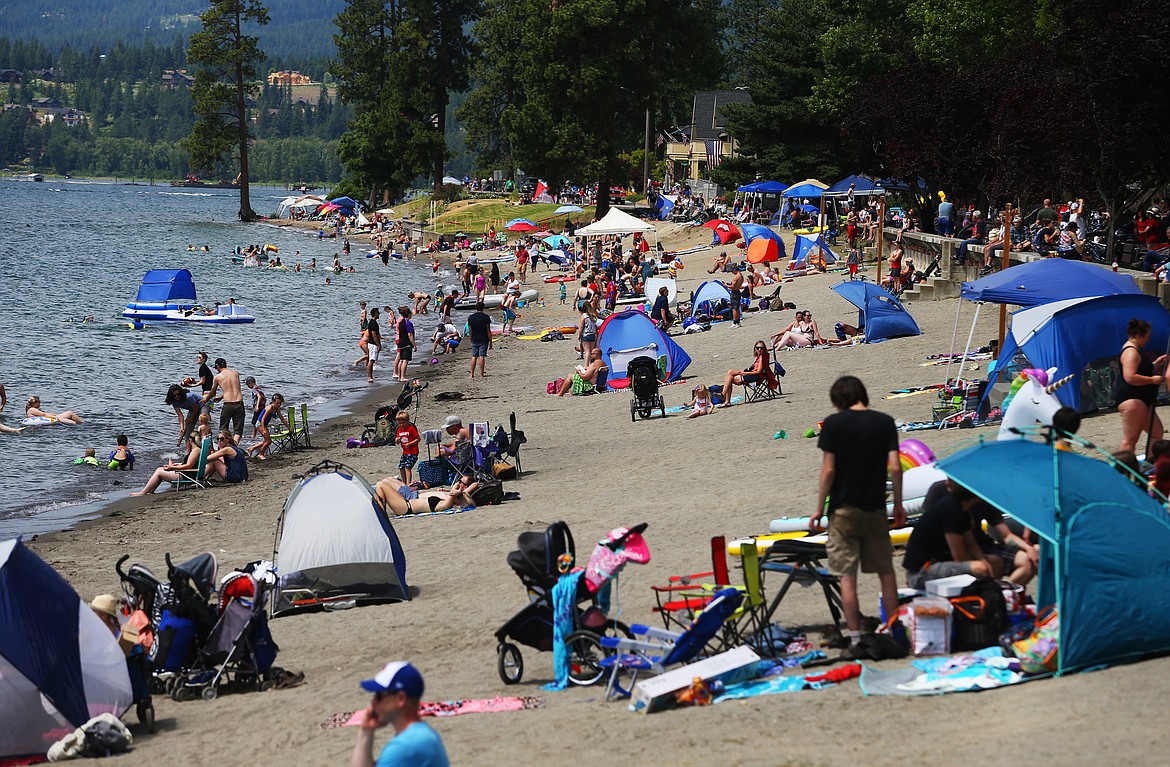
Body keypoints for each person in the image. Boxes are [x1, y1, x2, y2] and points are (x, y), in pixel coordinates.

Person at [811, 376, 905, 651]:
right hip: (875, 507)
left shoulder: (833, 424)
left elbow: (829, 470)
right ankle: (894, 631)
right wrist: (898, 504)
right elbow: (896, 468)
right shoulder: (884, 422)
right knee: (886, 573)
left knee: (847, 576)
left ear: (838, 400)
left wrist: (818, 508)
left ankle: (855, 638)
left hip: (843, 509)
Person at [902, 479, 996, 590]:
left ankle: (992, 596)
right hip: (921, 571)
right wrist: (984, 568)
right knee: (980, 568)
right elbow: (959, 557)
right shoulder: (951, 508)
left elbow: (972, 546)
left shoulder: (963, 510)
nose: (946, 483)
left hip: (937, 563)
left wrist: (988, 567)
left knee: (994, 562)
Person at [351, 662, 450, 767]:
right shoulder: (422, 734)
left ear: (401, 699)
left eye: (379, 696)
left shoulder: (403, 747)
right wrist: (366, 731)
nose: (373, 703)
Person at [1116, 318, 1167, 453]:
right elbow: (1130, 377)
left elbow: (1140, 369)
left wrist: (1155, 363)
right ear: (1139, 336)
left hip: (1143, 399)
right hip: (1133, 400)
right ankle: (1123, 469)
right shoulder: (1131, 352)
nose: (1148, 340)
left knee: (1156, 432)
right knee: (1131, 439)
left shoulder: (1136, 350)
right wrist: (1152, 380)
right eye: (1147, 337)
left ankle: (1149, 462)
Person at [130, 434, 206, 495]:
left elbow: (188, 466)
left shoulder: (195, 451)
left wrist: (172, 468)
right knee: (160, 469)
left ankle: (143, 492)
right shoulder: (197, 450)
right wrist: (177, 464)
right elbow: (191, 464)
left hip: (185, 476)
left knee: (159, 472)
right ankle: (150, 490)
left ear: (190, 440)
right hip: (188, 474)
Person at [374, 476, 478, 517]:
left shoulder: (446, 504)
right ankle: (381, 514)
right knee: (383, 483)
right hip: (406, 503)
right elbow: (453, 491)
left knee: (380, 485)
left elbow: (454, 493)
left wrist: (456, 492)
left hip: (406, 507)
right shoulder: (447, 500)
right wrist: (457, 491)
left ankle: (381, 516)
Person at [717, 341, 773, 407]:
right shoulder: (761, 356)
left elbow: (759, 371)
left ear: (764, 349)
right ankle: (725, 398)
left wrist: (746, 373)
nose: (759, 349)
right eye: (757, 348)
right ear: (755, 348)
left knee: (730, 378)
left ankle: (725, 397)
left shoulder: (762, 357)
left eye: (761, 348)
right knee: (730, 372)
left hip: (756, 377)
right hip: (753, 374)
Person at [203, 358, 245, 443]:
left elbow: (212, 392)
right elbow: (235, 389)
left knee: (223, 428)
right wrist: (222, 396)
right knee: (238, 431)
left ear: (218, 366)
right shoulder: (235, 373)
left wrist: (205, 400)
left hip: (228, 405)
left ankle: (223, 449)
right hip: (239, 403)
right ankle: (234, 448)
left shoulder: (218, 377)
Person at [249, 393, 290, 460]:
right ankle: (261, 454)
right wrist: (264, 429)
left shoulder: (277, 409)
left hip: (264, 425)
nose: (279, 405)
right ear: (273, 401)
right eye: (277, 403)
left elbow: (282, 419)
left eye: (280, 403)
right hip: (259, 424)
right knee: (268, 441)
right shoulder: (270, 407)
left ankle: (252, 448)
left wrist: (289, 428)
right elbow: (263, 419)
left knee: (266, 440)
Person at [466, 301, 493, 379]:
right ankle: (481, 373)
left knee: (474, 356)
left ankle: (472, 374)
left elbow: (470, 330)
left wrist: (470, 339)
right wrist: (491, 342)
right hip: (484, 338)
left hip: (474, 338)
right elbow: (488, 330)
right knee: (482, 356)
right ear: (483, 308)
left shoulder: (471, 317)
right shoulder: (486, 317)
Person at [395, 411, 420, 485]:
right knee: (401, 467)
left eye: (403, 423)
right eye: (399, 423)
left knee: (407, 467)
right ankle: (404, 482)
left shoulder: (411, 429)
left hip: (413, 452)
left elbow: (418, 438)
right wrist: (397, 440)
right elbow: (397, 440)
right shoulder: (399, 429)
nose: (401, 425)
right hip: (405, 452)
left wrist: (410, 444)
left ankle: (408, 483)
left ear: (407, 421)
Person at [394, 307, 417, 383]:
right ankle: (402, 376)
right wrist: (414, 345)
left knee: (401, 360)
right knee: (405, 360)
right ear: (409, 314)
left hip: (401, 342)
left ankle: (399, 376)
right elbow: (410, 335)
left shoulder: (400, 322)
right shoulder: (408, 323)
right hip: (406, 343)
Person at [366, 307, 383, 384]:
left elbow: (376, 334)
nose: (379, 314)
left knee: (372, 360)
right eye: (378, 312)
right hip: (373, 344)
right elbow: (373, 334)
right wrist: (378, 344)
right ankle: (369, 377)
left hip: (372, 343)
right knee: (371, 360)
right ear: (375, 313)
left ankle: (371, 376)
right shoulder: (372, 323)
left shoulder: (374, 322)